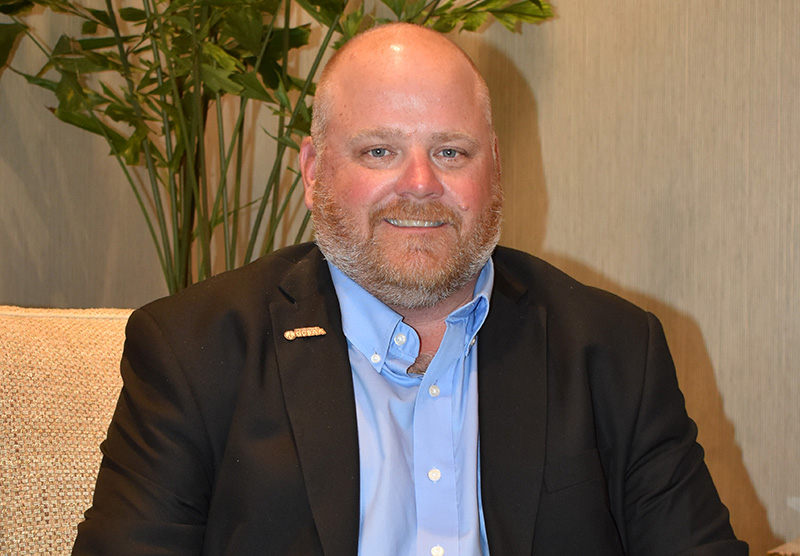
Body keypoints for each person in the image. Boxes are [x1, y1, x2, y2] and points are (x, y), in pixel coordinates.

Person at [73, 23, 747, 556]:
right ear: (314, 171)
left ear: (495, 169)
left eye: (451, 152)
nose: (421, 184)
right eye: (379, 151)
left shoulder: (614, 349)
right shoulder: (193, 351)